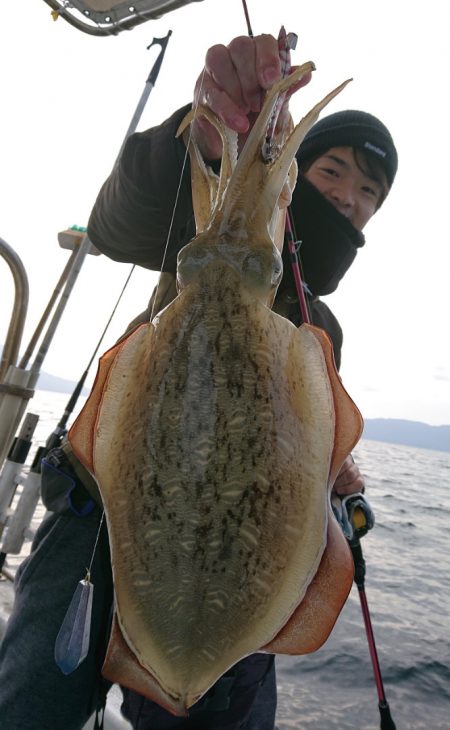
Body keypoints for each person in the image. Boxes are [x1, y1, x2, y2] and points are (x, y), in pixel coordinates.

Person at [0, 33, 397, 730]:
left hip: (231, 565)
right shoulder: (195, 237)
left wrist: (335, 474)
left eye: (369, 191)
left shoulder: (323, 326)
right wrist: (207, 140)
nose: (350, 196)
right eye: (334, 171)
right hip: (98, 524)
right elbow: (118, 220)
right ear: (298, 173)